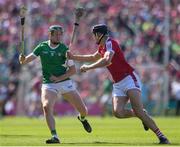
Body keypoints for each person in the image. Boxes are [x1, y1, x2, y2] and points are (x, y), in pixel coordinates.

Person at [67, 24, 170, 144]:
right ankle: (139, 115)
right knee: (118, 112)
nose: (93, 38)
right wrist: (73, 57)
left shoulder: (111, 43)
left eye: (94, 35)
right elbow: (92, 57)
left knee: (138, 109)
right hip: (118, 84)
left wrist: (88, 68)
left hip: (129, 78)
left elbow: (107, 60)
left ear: (99, 35)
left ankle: (162, 136)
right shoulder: (102, 47)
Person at [19, 25, 92, 144]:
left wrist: (59, 78)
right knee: (46, 107)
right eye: (56, 34)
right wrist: (21, 58)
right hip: (49, 84)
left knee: (84, 110)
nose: (59, 36)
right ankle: (55, 136)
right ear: (50, 35)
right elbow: (25, 61)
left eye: (60, 34)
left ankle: (82, 118)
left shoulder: (64, 49)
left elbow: (72, 71)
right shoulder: (42, 47)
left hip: (65, 82)